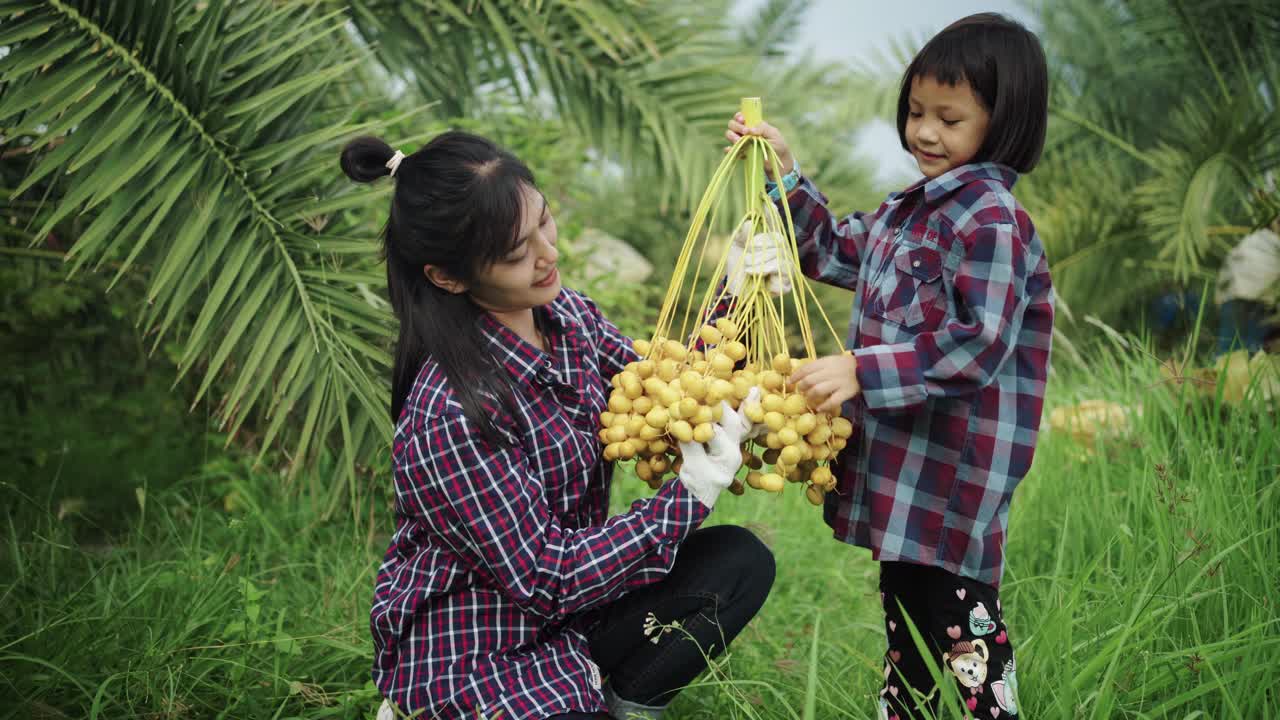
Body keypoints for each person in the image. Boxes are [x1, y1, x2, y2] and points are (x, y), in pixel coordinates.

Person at [340, 132, 775, 720]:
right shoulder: (450, 414)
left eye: (544, 221)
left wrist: (736, 296)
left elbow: (663, 393)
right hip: (480, 648)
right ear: (448, 276)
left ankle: (607, 697)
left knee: (738, 563)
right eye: (517, 252)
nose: (548, 253)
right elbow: (548, 575)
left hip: (579, 610)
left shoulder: (566, 316)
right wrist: (687, 497)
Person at [724, 13, 1052, 719]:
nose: (925, 133)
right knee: (910, 632)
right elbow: (835, 250)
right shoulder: (909, 213)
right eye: (915, 112)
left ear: (1004, 123)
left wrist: (860, 370)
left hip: (952, 477)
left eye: (950, 118)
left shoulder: (991, 221)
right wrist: (785, 175)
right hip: (909, 476)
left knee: (964, 636)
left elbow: (978, 345)